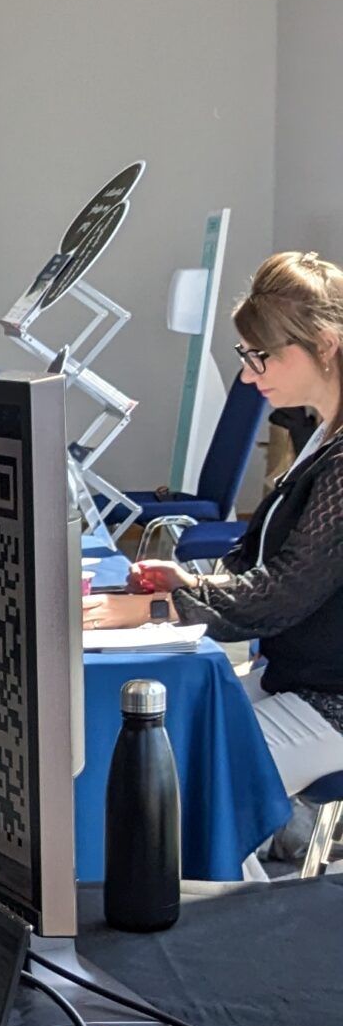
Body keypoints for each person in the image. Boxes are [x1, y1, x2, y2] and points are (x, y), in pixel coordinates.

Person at [90, 251, 343, 804]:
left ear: (323, 346)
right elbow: (257, 554)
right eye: (245, 357)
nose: (250, 377)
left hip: (333, 704)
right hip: (298, 677)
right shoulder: (321, 437)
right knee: (142, 758)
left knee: (177, 790)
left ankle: (239, 892)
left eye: (262, 358)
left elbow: (286, 591)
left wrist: (161, 608)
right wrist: (185, 581)